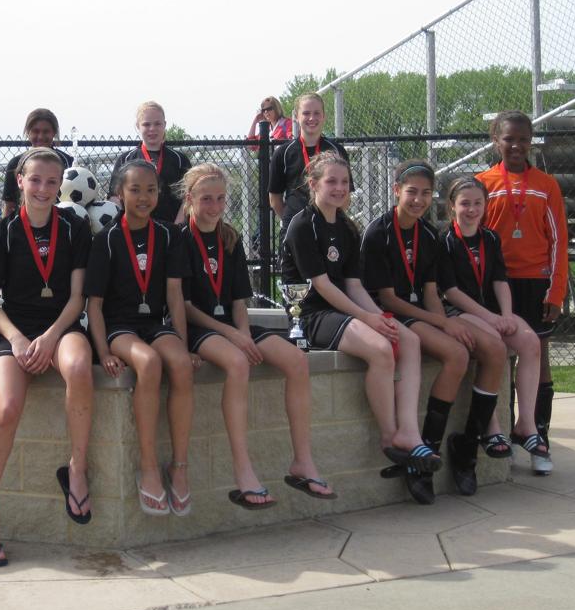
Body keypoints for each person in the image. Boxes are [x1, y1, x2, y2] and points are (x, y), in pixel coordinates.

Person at [281, 153, 441, 488]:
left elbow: (353, 285)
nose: (340, 188)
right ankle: (389, 437)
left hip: (345, 309)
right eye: (331, 181)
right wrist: (367, 317)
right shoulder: (302, 225)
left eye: (345, 182)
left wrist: (380, 318)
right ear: (313, 184)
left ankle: (409, 431)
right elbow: (322, 285)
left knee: (408, 339)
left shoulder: (347, 227)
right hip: (313, 314)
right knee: (380, 349)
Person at [178, 164, 334, 508]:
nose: (215, 206)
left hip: (233, 325)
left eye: (221, 198)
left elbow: (238, 302)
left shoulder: (230, 238)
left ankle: (302, 461)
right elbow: (184, 307)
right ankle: (243, 470)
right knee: (237, 363)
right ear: (190, 199)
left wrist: (244, 333)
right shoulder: (179, 239)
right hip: (199, 327)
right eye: (206, 199)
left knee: (296, 360)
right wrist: (233, 336)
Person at [0, 147, 94, 567]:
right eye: (36, 180)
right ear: (20, 181)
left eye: (51, 181)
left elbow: (78, 298)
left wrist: (49, 337)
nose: (43, 188)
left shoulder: (75, 228)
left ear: (60, 184)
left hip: (60, 327)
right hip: (16, 332)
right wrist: (17, 339)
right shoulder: (2, 232)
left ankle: (76, 468)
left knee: (78, 366)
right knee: (7, 407)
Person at [360, 161, 504, 503]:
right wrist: (442, 323)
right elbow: (387, 298)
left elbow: (429, 291)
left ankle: (467, 447)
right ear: (397, 191)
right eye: (411, 192)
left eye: (426, 193)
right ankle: (423, 456)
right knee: (456, 354)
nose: (418, 200)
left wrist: (446, 323)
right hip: (389, 315)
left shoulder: (429, 235)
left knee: (494, 350)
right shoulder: (378, 232)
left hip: (424, 314)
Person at [86, 160, 196, 517]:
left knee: (180, 364)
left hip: (155, 323)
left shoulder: (168, 235)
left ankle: (178, 467)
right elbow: (94, 305)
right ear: (119, 194)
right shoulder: (106, 239)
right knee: (148, 363)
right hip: (120, 327)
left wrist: (184, 344)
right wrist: (103, 352)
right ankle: (148, 466)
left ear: (159, 193)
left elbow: (175, 295)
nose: (144, 197)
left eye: (151, 190)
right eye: (135, 190)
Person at [476, 110, 568, 476]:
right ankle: (509, 434)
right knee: (503, 360)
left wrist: (556, 291)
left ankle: (538, 438)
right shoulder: (483, 183)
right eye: (509, 139)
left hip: (535, 283)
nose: (516, 146)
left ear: (531, 142)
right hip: (497, 285)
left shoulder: (546, 185)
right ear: (495, 141)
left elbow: (559, 241)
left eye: (523, 140)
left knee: (539, 358)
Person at [438, 176, 545, 490]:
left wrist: (507, 315)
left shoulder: (491, 238)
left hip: (492, 313)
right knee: (494, 343)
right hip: (459, 312)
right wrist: (490, 317)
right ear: (452, 206)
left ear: (486, 205)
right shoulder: (445, 240)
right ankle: (491, 426)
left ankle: (526, 424)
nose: (472, 210)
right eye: (465, 204)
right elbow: (451, 291)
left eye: (477, 203)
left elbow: (500, 279)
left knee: (530, 341)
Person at [269, 92, 353, 234]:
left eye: (316, 113)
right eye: (306, 113)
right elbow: (274, 199)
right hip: (294, 230)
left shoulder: (337, 151)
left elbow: (346, 195)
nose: (312, 118)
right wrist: (295, 222)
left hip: (328, 228)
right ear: (296, 117)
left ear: (324, 116)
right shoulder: (283, 153)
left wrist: (331, 218)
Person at [112, 101, 191, 224]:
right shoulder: (126, 160)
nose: (152, 129)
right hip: (134, 228)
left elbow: (189, 196)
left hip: (172, 227)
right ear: (138, 126)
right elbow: (115, 197)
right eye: (146, 124)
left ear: (164, 125)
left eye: (157, 124)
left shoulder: (180, 160)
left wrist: (177, 225)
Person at [0, 108, 73, 218]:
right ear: (28, 132)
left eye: (46, 132)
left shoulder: (67, 161)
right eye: (35, 131)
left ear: (54, 133)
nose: (40, 137)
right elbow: (10, 205)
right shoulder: (15, 164)